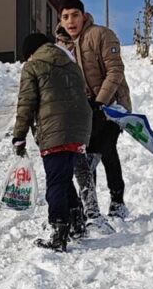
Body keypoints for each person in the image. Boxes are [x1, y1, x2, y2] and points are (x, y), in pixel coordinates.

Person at [11, 32, 94, 252]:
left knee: (56, 182)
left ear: (30, 52)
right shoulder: (72, 65)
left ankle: (59, 232)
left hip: (55, 129)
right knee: (64, 177)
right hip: (79, 130)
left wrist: (19, 135)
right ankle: (77, 222)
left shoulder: (33, 66)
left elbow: (26, 103)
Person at [56, 0, 133, 220]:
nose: (71, 21)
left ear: (83, 16)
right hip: (85, 110)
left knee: (106, 148)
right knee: (86, 154)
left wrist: (101, 101)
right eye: (65, 17)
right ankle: (91, 206)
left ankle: (117, 201)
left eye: (75, 15)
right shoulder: (61, 47)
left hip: (112, 105)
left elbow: (115, 70)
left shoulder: (100, 34)